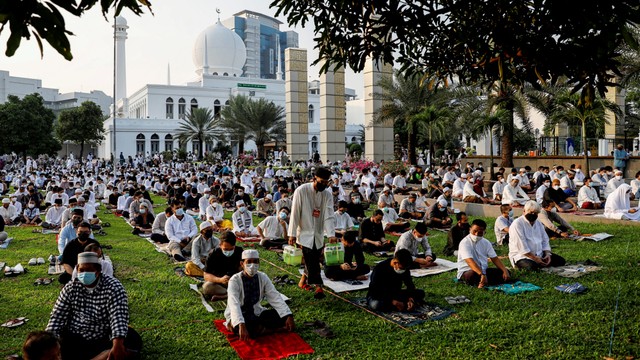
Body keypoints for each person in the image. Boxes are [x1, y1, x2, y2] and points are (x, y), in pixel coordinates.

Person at [46, 252, 142, 360]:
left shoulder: (113, 287)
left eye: (89, 270)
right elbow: (57, 316)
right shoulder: (70, 288)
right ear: (77, 269)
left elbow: (118, 317)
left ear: (98, 271)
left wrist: (117, 344)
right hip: (75, 338)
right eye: (81, 270)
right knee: (49, 343)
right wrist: (49, 344)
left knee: (130, 339)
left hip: (102, 337)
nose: (84, 273)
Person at [224, 249, 295, 341]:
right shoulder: (235, 280)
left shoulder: (263, 277)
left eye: (255, 262)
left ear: (259, 263)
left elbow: (274, 296)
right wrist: (241, 324)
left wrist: (287, 315)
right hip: (241, 313)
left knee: (280, 316)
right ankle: (269, 330)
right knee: (247, 326)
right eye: (249, 262)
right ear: (242, 264)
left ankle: (262, 330)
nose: (252, 265)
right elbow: (234, 304)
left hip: (256, 312)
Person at [288, 167, 337, 299]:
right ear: (314, 178)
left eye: (326, 182)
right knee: (312, 260)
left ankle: (303, 280)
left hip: (319, 233)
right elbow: (295, 213)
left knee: (313, 259)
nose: (324, 185)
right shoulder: (301, 191)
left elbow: (329, 215)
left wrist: (331, 234)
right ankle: (319, 287)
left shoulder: (327, 194)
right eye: (321, 182)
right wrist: (291, 234)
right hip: (304, 233)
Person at [508, 201, 566, 270]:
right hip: (523, 256)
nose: (533, 214)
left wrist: (547, 254)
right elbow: (522, 247)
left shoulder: (538, 223)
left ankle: (541, 262)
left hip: (539, 254)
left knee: (561, 261)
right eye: (530, 212)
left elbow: (545, 239)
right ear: (524, 211)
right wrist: (535, 258)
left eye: (535, 213)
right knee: (532, 267)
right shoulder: (517, 224)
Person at [457, 219, 511, 288]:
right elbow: (470, 262)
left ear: (484, 232)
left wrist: (504, 270)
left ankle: (484, 280)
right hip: (468, 271)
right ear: (470, 229)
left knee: (506, 273)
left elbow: (495, 259)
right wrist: (481, 274)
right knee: (472, 275)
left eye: (479, 232)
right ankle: (484, 280)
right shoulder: (465, 243)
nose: (476, 234)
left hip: (484, 270)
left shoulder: (486, 243)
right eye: (474, 231)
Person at [203, 231, 243, 300]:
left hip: (236, 282)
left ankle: (226, 296)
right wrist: (220, 280)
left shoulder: (239, 251)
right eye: (226, 249)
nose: (228, 251)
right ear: (220, 245)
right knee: (207, 287)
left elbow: (244, 268)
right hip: (219, 283)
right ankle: (232, 294)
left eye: (231, 249)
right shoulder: (213, 254)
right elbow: (206, 275)